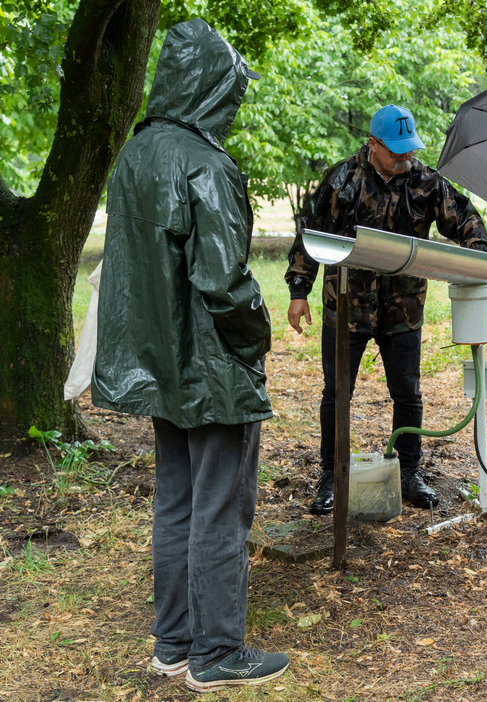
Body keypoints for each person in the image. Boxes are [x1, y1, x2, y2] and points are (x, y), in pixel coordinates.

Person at [91, 19, 288, 693]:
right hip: (209, 369)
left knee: (175, 497)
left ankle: (172, 644)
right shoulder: (207, 164)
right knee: (219, 504)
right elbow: (222, 282)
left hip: (157, 364)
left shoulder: (135, 155)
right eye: (231, 90)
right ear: (210, 87)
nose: (235, 104)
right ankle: (216, 653)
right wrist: (256, 337)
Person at [286, 104, 487, 514]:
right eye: (396, 151)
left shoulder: (426, 182)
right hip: (347, 306)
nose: (405, 158)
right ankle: (332, 474)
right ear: (373, 144)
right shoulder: (342, 178)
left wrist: (478, 261)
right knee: (337, 393)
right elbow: (310, 231)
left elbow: (466, 221)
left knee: (407, 393)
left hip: (403, 309)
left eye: (409, 151)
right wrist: (298, 289)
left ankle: (409, 471)